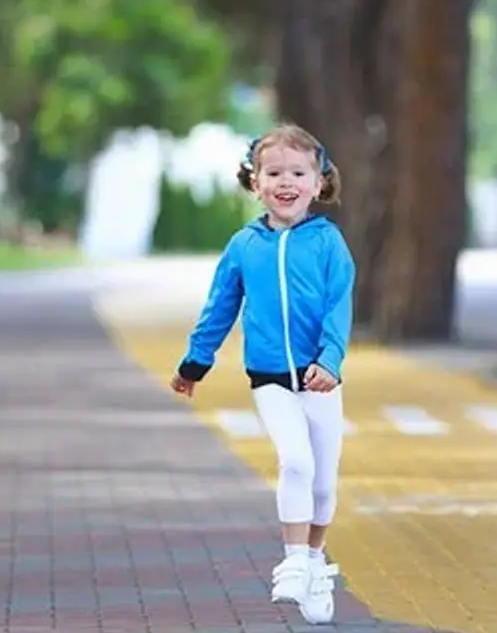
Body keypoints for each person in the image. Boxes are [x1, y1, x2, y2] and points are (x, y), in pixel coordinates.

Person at [169, 123, 355, 625]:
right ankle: (294, 560)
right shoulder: (244, 245)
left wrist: (330, 362)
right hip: (269, 376)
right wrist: (194, 364)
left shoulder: (328, 243)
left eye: (298, 172)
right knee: (295, 461)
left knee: (323, 483)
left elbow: (340, 307)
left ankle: (315, 561)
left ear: (319, 183)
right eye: (274, 172)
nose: (286, 181)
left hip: (321, 377)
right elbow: (219, 308)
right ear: (256, 183)